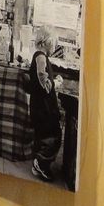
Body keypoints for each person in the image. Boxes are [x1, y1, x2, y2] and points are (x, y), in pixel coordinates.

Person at [24, 45, 63, 182]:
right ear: (47, 42)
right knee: (53, 135)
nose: (53, 45)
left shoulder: (39, 56)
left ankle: (38, 165)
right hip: (44, 107)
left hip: (39, 106)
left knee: (41, 135)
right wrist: (57, 82)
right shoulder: (41, 57)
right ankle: (41, 164)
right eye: (53, 42)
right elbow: (44, 84)